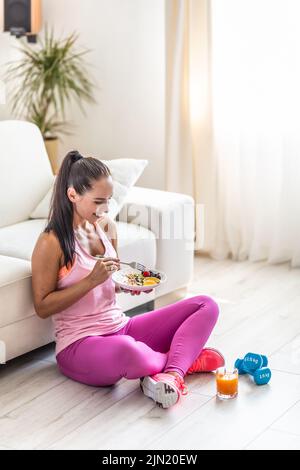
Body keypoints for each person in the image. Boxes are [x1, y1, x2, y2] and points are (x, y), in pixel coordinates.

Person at [31, 150, 224, 409]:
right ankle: (184, 360)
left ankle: (172, 374)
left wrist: (123, 283)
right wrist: (90, 280)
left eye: (109, 200)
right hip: (79, 344)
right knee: (128, 350)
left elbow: (110, 278)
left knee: (205, 304)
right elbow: (42, 306)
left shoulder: (106, 227)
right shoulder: (51, 241)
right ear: (72, 195)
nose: (105, 209)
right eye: (98, 201)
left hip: (120, 326)